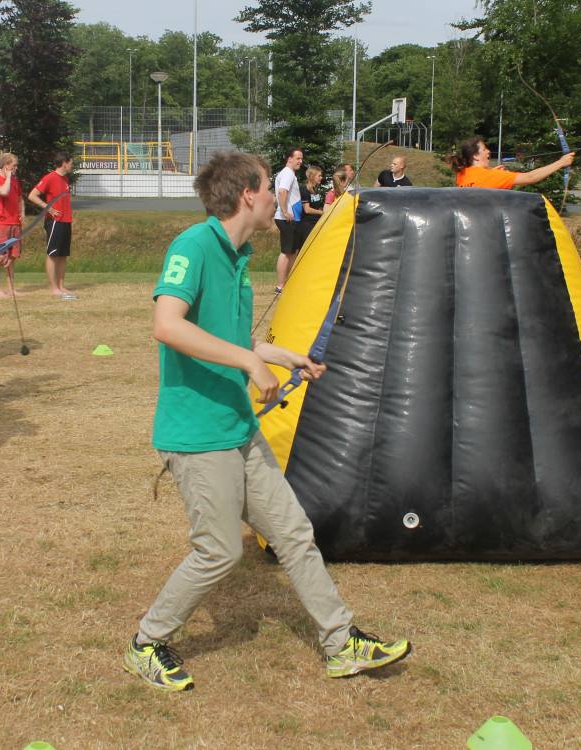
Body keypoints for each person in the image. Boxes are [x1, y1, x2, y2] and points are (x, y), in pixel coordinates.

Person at [123, 150, 411, 692]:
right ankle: (147, 643)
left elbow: (228, 341)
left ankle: (341, 642)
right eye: (270, 184)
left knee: (295, 534)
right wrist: (250, 363)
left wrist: (279, 355)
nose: (285, 190)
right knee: (220, 551)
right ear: (248, 195)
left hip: (238, 427)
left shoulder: (238, 256)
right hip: (197, 433)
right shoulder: (194, 245)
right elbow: (168, 325)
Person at [27, 151, 77, 299]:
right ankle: (53, 287)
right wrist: (47, 207)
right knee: (53, 253)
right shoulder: (50, 178)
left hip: (66, 220)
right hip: (55, 220)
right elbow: (32, 195)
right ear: (65, 162)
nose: (71, 166)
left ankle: (61, 285)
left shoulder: (66, 179)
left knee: (62, 255)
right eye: (71, 162)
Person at [449, 137, 574, 189]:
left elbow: (477, 182)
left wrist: (490, 173)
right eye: (484, 149)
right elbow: (531, 177)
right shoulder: (490, 177)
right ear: (476, 156)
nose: (488, 151)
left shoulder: (462, 173)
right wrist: (561, 163)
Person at [0, 153, 24, 298]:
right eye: (14, 165)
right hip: (2, 223)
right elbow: (3, 192)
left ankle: (11, 288)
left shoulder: (15, 181)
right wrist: (8, 177)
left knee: (12, 256)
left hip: (15, 223)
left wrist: (22, 211)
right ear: (6, 165)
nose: (16, 168)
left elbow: (20, 198)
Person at [273, 147, 304, 293]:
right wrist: (285, 211)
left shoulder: (289, 173)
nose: (300, 161)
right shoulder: (288, 174)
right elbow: (282, 191)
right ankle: (280, 285)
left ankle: (290, 282)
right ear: (289, 159)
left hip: (292, 217)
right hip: (287, 218)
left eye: (301, 159)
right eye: (297, 158)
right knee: (286, 251)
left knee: (293, 251)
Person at [296, 164, 325, 250]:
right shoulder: (304, 189)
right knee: (306, 248)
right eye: (319, 176)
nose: (321, 177)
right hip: (307, 224)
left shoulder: (315, 189)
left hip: (316, 221)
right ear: (312, 176)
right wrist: (321, 212)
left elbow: (315, 206)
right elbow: (307, 209)